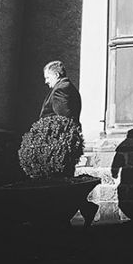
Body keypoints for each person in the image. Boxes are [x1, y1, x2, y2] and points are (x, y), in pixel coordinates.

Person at [39, 60, 97, 226]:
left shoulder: (61, 89)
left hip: (58, 145)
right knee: (63, 181)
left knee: (59, 182)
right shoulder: (67, 87)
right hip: (61, 145)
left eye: (47, 77)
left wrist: (56, 145)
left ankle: (62, 220)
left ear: (56, 75)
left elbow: (64, 120)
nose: (46, 81)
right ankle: (84, 209)